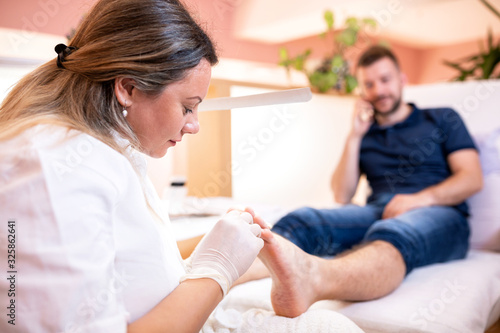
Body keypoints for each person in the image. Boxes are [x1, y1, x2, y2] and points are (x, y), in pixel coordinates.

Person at [0, 0, 274, 331]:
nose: (194, 125)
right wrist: (218, 270)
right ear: (128, 88)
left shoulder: (105, 151)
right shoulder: (55, 165)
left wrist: (221, 249)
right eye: (188, 107)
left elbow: (126, 254)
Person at [235, 45, 484, 318]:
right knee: (302, 220)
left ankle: (312, 279)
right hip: (378, 210)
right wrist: (355, 136)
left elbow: (471, 178)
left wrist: (419, 199)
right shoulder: (366, 133)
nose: (379, 90)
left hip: (441, 214)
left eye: (385, 80)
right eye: (369, 84)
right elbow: (342, 195)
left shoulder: (441, 117)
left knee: (395, 233)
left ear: (402, 80)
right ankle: (217, 276)